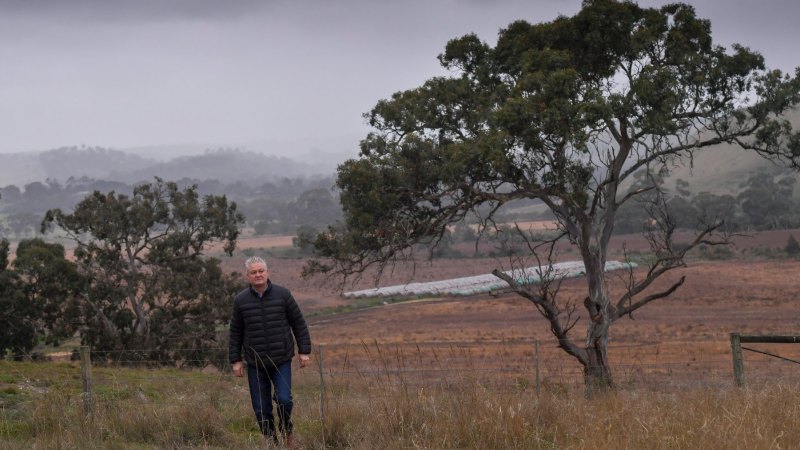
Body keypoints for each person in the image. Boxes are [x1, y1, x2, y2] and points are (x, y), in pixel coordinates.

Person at [229, 256, 312, 446]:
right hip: (255, 363)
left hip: (281, 359)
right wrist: (236, 360)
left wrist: (304, 350)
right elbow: (235, 332)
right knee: (260, 408)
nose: (258, 275)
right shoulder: (240, 300)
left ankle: (286, 431)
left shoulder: (283, 295)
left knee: (284, 400)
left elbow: (298, 323)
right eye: (253, 272)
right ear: (247, 276)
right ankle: (271, 441)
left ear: (267, 272)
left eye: (261, 271)